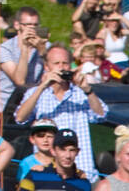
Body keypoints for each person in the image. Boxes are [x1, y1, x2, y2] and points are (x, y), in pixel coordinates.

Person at [14, 45, 108, 182]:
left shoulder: (80, 93)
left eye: (65, 63)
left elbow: (101, 115)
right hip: (47, 174)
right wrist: (42, 87)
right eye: (56, 63)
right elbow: (20, 118)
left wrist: (87, 90)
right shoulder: (36, 93)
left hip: (81, 173)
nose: (61, 67)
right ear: (47, 67)